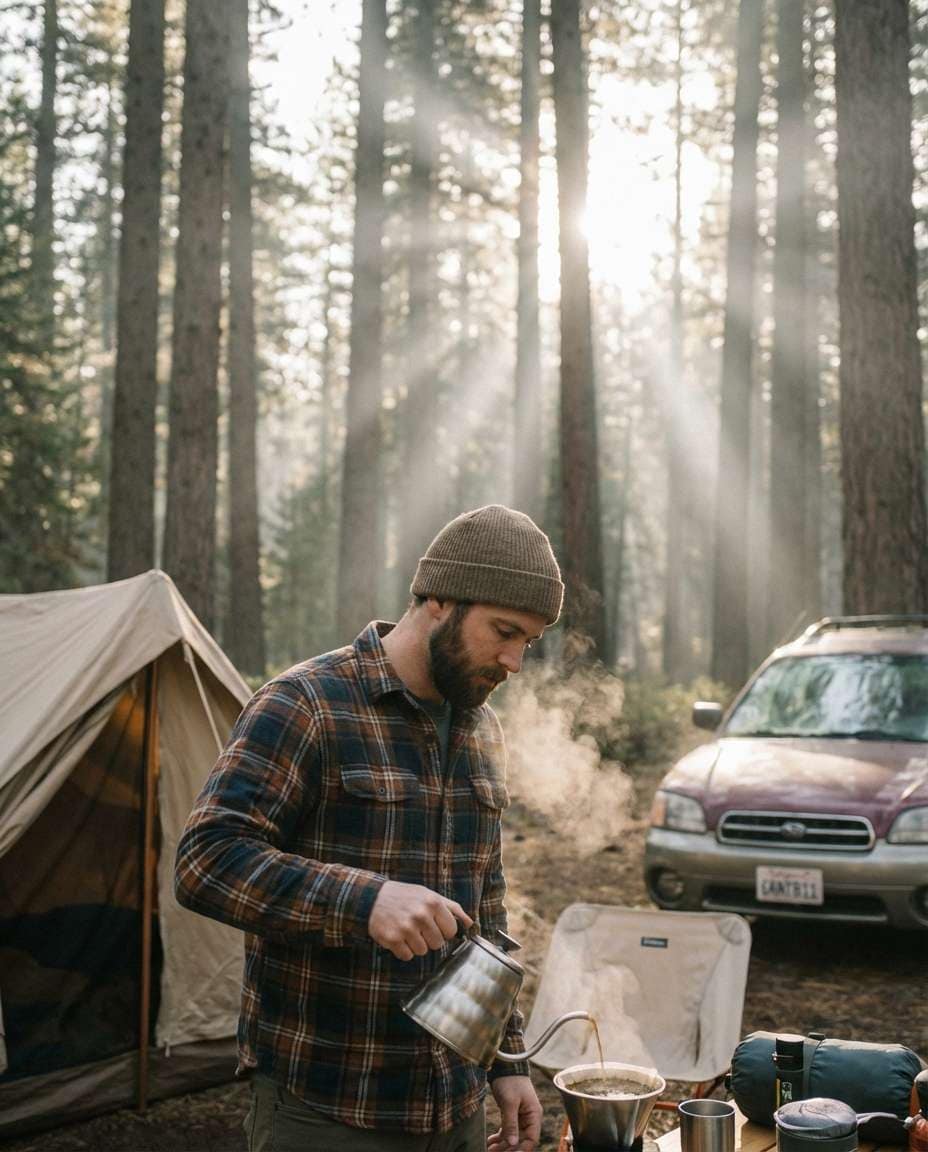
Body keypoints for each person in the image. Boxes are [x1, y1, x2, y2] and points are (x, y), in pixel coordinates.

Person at [174, 504, 564, 1152]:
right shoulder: (306, 703)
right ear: (440, 600)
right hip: (327, 1109)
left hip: (455, 1107)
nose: (515, 660)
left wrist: (506, 1059)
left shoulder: (478, 727)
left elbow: (485, 909)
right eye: (504, 630)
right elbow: (205, 859)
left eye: (529, 640)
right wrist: (364, 900)